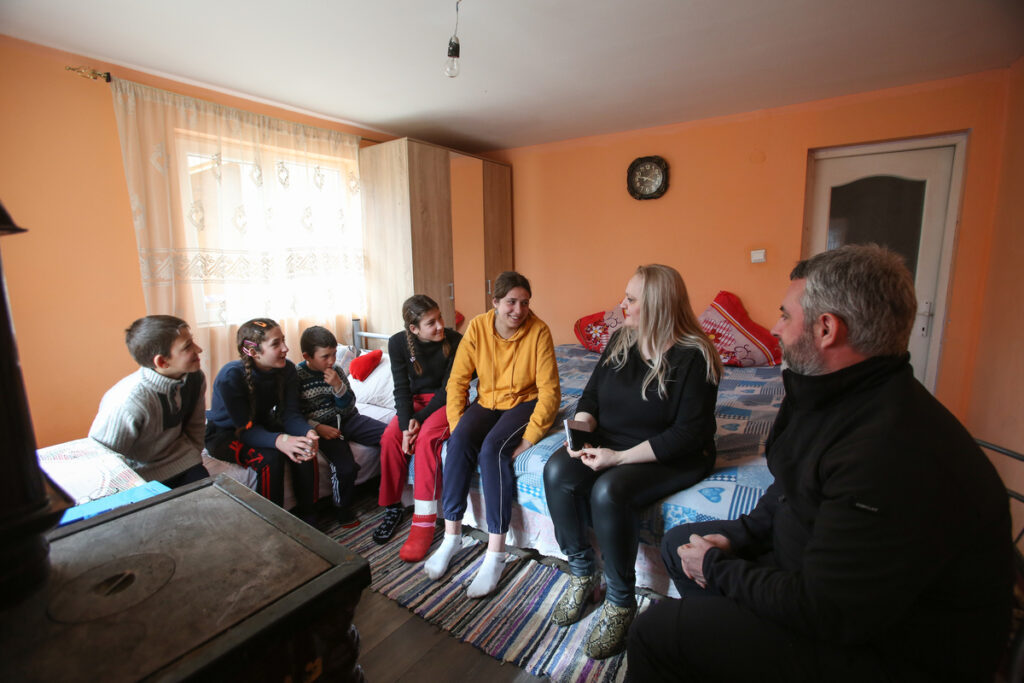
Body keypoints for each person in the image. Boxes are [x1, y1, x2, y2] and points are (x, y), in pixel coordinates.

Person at [627, 244, 1013, 682]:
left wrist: (719, 568)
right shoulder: (836, 396)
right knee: (682, 543)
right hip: (820, 578)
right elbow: (789, 489)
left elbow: (829, 611)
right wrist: (737, 537)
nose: (775, 328)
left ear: (827, 328)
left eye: (786, 315)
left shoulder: (888, 451)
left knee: (654, 631)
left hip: (888, 649)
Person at [543, 264, 722, 660]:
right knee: (557, 469)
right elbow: (590, 399)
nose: (621, 304)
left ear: (656, 305)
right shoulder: (622, 339)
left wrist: (618, 459)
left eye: (631, 299)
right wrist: (582, 432)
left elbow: (685, 435)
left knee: (609, 491)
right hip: (615, 440)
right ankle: (581, 570)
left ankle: (621, 601)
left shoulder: (696, 357)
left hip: (675, 451)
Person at [423, 271, 560, 598]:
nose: (518, 310)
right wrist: (458, 428)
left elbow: (550, 391)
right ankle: (452, 536)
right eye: (511, 302)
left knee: (492, 451)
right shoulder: (478, 327)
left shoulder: (539, 331)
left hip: (523, 402)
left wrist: (530, 437)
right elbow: (457, 381)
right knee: (458, 443)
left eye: (524, 303)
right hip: (488, 400)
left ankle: (496, 552)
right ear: (495, 302)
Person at [374, 295, 463, 561]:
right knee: (390, 438)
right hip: (414, 403)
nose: (440, 326)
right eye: (431, 323)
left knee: (426, 440)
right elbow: (401, 387)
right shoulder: (398, 343)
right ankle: (392, 507)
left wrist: (419, 420)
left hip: (445, 401)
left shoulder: (455, 341)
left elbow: (450, 388)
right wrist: (404, 426)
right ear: (413, 329)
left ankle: (424, 521)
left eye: (440, 318)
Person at [205, 318, 321, 520]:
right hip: (227, 433)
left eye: (283, 340)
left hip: (259, 424)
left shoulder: (287, 370)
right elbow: (246, 428)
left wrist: (307, 432)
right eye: (276, 344)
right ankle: (271, 522)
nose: (285, 348)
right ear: (253, 352)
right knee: (270, 459)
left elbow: (290, 414)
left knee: (303, 446)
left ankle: (309, 515)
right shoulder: (230, 376)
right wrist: (280, 441)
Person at [90, 315, 210, 488]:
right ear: (162, 361)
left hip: (184, 462)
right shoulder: (129, 400)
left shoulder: (195, 378)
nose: (198, 349)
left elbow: (196, 425)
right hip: (140, 476)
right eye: (187, 347)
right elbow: (104, 459)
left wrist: (193, 455)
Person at [296, 325, 387, 527]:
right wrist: (317, 427)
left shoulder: (336, 371)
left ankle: (387, 488)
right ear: (307, 356)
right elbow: (295, 415)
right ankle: (342, 508)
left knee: (390, 435)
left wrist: (338, 386)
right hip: (322, 427)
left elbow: (349, 405)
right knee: (345, 467)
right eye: (325, 356)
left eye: (334, 354)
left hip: (348, 418)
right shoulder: (297, 377)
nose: (332, 361)